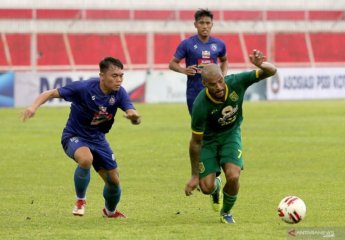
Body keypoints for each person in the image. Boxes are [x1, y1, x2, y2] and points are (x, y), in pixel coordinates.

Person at [21, 57, 141, 218]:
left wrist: (134, 117)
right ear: (102, 76)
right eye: (114, 76)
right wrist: (33, 107)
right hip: (74, 135)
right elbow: (50, 93)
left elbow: (132, 112)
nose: (119, 80)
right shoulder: (83, 88)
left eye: (121, 75)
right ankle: (80, 200)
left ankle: (110, 211)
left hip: (98, 139)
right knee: (86, 159)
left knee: (114, 182)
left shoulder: (119, 93)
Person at [184, 50, 277, 223]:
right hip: (209, 142)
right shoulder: (200, 105)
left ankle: (226, 212)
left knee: (233, 176)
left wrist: (261, 65)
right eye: (213, 84)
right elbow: (195, 143)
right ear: (204, 84)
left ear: (223, 76)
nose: (219, 87)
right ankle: (215, 187)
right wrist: (195, 175)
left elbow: (272, 71)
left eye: (220, 81)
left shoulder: (237, 82)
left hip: (230, 135)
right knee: (206, 188)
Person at [169, 8, 228, 115]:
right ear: (195, 24)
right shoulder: (187, 44)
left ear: (212, 24)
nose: (205, 26)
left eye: (207, 23)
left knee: (216, 124)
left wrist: (222, 75)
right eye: (201, 23)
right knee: (198, 125)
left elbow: (224, 61)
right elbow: (172, 64)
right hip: (194, 92)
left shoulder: (219, 44)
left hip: (214, 91)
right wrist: (184, 70)